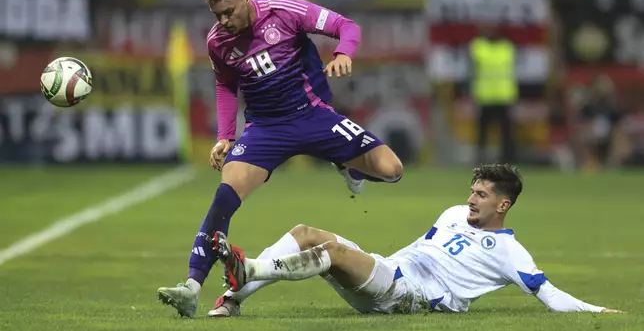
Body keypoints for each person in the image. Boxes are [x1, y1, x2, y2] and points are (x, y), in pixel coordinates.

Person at [157, 0, 404, 317]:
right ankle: (191, 287)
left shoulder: (284, 11)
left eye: (229, 12)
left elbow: (345, 26)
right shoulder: (217, 41)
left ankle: (350, 165)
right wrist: (225, 136)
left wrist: (343, 53)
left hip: (314, 115)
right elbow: (226, 86)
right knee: (224, 197)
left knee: (392, 169)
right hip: (266, 129)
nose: (224, 21)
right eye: (217, 15)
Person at [209, 164, 623, 316]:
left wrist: (600, 310)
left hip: (411, 295)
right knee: (304, 233)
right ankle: (232, 301)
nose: (470, 199)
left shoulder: (509, 251)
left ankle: (248, 271)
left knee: (331, 252)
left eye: (481, 195)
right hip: (390, 270)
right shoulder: (454, 214)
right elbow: (425, 248)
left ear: (504, 205)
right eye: (472, 191)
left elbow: (549, 296)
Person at [469, 24, 518, 164]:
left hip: (487, 96)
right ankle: (507, 160)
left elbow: (470, 72)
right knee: (505, 133)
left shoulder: (478, 48)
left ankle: (482, 160)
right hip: (503, 96)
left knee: (484, 133)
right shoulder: (507, 49)